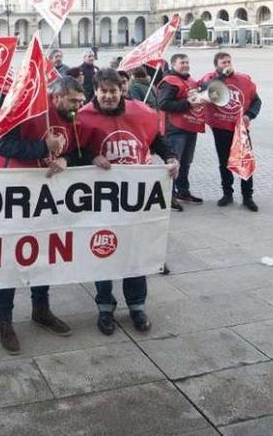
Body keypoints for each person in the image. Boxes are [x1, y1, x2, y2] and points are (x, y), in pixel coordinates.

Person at [0, 77, 84, 353]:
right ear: (56, 98)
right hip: (14, 195)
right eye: (73, 100)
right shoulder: (29, 109)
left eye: (80, 101)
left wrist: (65, 159)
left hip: (46, 197)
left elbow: (78, 150)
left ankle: (41, 309)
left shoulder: (72, 117)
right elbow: (3, 145)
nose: (78, 106)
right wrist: (43, 148)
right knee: (11, 259)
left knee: (43, 254)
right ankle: (5, 320)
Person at [76, 68, 179, 335]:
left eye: (113, 91)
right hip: (100, 201)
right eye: (103, 91)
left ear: (122, 89)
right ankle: (105, 307)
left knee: (135, 253)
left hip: (135, 199)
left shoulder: (141, 112)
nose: (108, 96)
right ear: (95, 91)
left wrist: (170, 157)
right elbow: (73, 150)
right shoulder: (83, 117)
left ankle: (137, 306)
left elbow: (156, 140)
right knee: (102, 250)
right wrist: (90, 157)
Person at [199, 52, 261, 212]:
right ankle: (227, 193)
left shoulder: (244, 79)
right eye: (223, 63)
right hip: (221, 127)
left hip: (240, 129)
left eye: (228, 62)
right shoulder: (210, 78)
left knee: (244, 161)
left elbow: (256, 100)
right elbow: (205, 91)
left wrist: (249, 115)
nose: (227, 65)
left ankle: (248, 196)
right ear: (216, 65)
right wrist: (222, 77)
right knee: (224, 163)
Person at [158, 54, 206, 211]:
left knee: (186, 163)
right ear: (173, 65)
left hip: (190, 127)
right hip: (175, 129)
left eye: (187, 62)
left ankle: (183, 191)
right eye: (182, 62)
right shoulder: (169, 81)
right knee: (173, 164)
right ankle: (169, 195)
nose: (185, 64)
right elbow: (163, 104)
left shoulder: (190, 81)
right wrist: (187, 103)